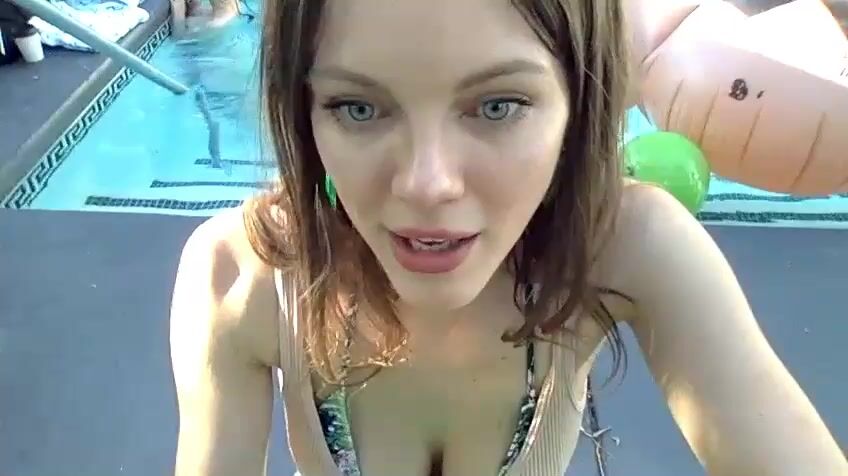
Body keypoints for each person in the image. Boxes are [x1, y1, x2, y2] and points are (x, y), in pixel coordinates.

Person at [169, 1, 848, 475]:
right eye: (359, 107)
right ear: (303, 112)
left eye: (498, 106)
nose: (427, 183)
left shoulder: (625, 245)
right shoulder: (246, 277)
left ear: (578, 106)